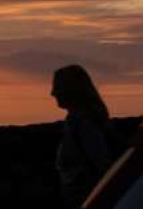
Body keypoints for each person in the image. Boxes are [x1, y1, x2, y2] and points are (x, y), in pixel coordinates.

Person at [52, 64, 115, 208]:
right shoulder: (76, 121)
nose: (53, 92)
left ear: (71, 90)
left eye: (57, 87)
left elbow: (102, 163)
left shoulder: (84, 123)